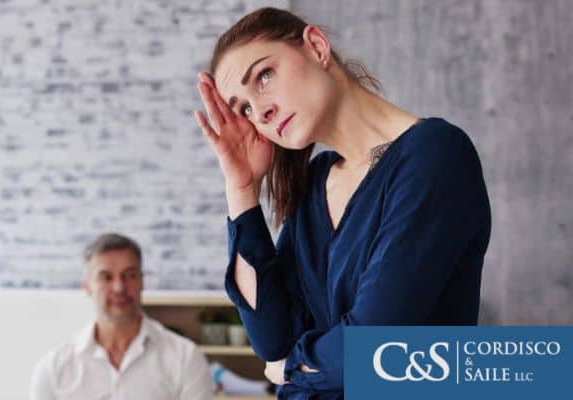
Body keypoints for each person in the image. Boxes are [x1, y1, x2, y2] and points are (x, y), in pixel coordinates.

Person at [193, 7, 491, 399]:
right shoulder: (315, 183)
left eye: (264, 76)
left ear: (316, 47)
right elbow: (272, 339)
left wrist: (291, 369)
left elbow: (374, 346)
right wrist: (241, 188)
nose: (259, 112)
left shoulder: (435, 156)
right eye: (244, 109)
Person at [30, 233, 214, 400]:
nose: (119, 287)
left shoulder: (185, 358)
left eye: (129, 275)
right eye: (106, 277)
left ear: (142, 280)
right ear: (87, 286)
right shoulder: (54, 368)